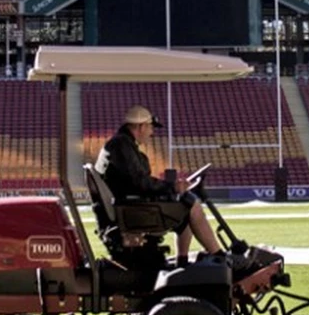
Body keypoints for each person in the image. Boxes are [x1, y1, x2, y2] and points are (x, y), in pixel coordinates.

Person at [95, 105, 221, 263]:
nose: (152, 133)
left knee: (184, 206)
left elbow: (136, 181)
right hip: (129, 210)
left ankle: (182, 259)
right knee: (191, 204)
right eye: (150, 127)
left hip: (126, 206)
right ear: (141, 126)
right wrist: (172, 187)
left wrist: (169, 188)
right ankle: (218, 255)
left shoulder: (122, 144)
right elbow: (140, 183)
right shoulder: (122, 145)